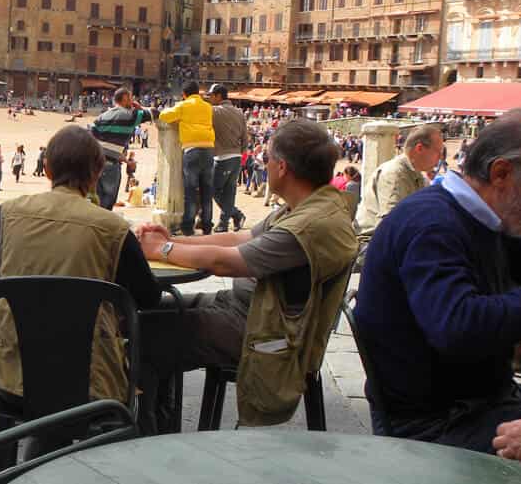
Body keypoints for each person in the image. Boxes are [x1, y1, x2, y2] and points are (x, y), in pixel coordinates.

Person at [355, 108, 521, 453]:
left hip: (483, 398)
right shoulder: (433, 224)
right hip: (438, 423)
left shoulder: (479, 213)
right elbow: (459, 326)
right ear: (502, 172)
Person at [137, 118, 357, 429]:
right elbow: (242, 238)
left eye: (267, 159)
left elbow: (227, 262)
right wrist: (172, 239)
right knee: (150, 312)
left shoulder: (310, 225)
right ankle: (161, 425)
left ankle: (148, 434)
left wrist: (161, 250)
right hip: (247, 309)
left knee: (143, 335)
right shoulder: (307, 206)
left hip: (264, 331)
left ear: (281, 167)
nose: (264, 165)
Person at [0, 125, 162, 434]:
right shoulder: (113, 228)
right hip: (92, 386)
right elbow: (148, 298)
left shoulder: (5, 215)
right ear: (98, 171)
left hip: (12, 375)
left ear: (46, 167)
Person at [355, 123, 443, 235]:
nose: (440, 157)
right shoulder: (394, 174)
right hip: (372, 241)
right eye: (438, 151)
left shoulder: (417, 175)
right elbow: (393, 224)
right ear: (419, 148)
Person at [158, 80, 215, 235]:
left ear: (184, 94)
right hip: (209, 149)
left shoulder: (184, 106)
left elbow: (165, 116)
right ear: (198, 92)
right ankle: (207, 225)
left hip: (192, 149)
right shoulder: (208, 107)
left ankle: (188, 226)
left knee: (190, 191)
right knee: (206, 191)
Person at [90, 87, 154, 210]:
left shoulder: (102, 117)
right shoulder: (131, 115)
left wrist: (125, 160)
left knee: (96, 202)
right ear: (125, 99)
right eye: (130, 98)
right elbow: (153, 113)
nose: (132, 100)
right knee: (108, 202)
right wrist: (139, 107)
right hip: (111, 167)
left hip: (95, 164)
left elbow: (96, 142)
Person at [208, 84, 249, 233]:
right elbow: (245, 136)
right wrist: (242, 152)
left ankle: (235, 216)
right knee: (229, 192)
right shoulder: (239, 112)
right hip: (237, 156)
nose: (210, 98)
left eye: (211, 95)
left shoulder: (214, 111)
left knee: (213, 190)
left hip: (223, 157)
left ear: (218, 96)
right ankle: (226, 222)